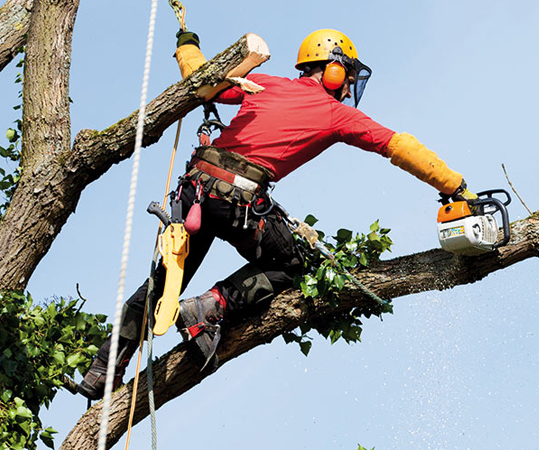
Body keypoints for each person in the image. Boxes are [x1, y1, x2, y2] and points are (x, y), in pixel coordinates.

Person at [78, 29, 477, 400]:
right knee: (294, 263)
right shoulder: (336, 114)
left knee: (164, 282)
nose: (350, 87)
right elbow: (397, 145)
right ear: (334, 70)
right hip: (236, 200)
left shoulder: (264, 84)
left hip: (196, 191)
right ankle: (210, 306)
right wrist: (454, 186)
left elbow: (201, 79)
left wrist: (187, 42)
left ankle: (102, 369)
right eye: (348, 76)